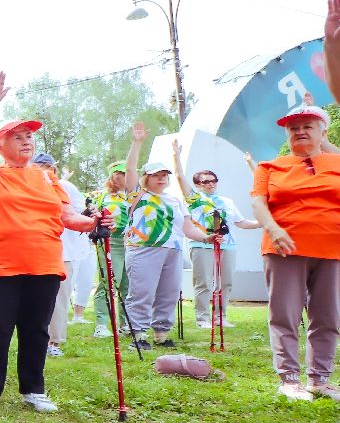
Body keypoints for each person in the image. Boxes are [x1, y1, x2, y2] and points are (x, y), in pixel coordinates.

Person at [0, 73, 106, 415]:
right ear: (1, 146)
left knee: (36, 329)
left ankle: (33, 389)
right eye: (17, 136)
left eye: (29, 136)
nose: (26, 141)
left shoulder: (47, 177)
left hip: (43, 262)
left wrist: (94, 223)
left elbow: (67, 215)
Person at [249, 101, 340, 400]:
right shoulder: (269, 167)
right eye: (293, 128)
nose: (299, 131)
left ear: (323, 132)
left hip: (332, 249)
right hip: (284, 247)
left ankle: (320, 380)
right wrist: (273, 228)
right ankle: (289, 379)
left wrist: (322, 134)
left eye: (307, 126)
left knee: (328, 316)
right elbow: (258, 202)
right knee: (285, 314)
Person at [120, 126, 207, 351]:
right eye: (155, 175)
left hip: (173, 250)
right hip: (144, 248)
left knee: (169, 293)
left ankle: (161, 333)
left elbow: (187, 227)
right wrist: (137, 142)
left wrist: (208, 238)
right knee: (142, 292)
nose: (161, 179)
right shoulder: (137, 195)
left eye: (164, 176)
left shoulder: (174, 200)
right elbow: (129, 169)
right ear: (146, 178)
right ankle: (138, 334)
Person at [182, 163, 258, 329]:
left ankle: (220, 317)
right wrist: (176, 157)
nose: (211, 184)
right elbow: (180, 179)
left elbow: (241, 222)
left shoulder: (227, 201)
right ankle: (203, 318)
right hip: (202, 244)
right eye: (206, 181)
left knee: (225, 283)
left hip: (228, 245)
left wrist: (264, 222)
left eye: (214, 180)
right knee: (204, 283)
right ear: (197, 185)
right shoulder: (194, 199)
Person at [36, 154, 88, 358]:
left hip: (63, 252)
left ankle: (53, 341)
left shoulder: (66, 187)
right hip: (34, 251)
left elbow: (80, 213)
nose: (45, 170)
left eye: (49, 167)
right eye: (40, 166)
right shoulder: (26, 186)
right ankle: (34, 340)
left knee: (59, 297)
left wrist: (93, 220)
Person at [88, 163, 132, 339]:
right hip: (110, 241)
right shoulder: (104, 196)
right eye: (121, 173)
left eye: (128, 173)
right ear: (113, 176)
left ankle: (126, 323)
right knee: (109, 281)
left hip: (132, 243)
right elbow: (93, 217)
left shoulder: (134, 195)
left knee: (128, 284)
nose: (125, 177)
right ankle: (102, 324)